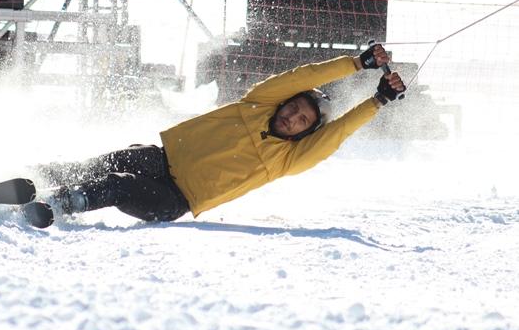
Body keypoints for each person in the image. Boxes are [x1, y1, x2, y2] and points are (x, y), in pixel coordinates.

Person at [33, 44, 407, 222]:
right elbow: (303, 77)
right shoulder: (258, 103)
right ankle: (36, 177)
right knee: (117, 159)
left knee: (117, 183)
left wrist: (378, 99)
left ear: (306, 133)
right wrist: (358, 63)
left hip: (175, 198)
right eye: (293, 107)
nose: (293, 116)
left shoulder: (287, 160)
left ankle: (58, 204)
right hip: (164, 156)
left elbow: (337, 133)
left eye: (302, 120)